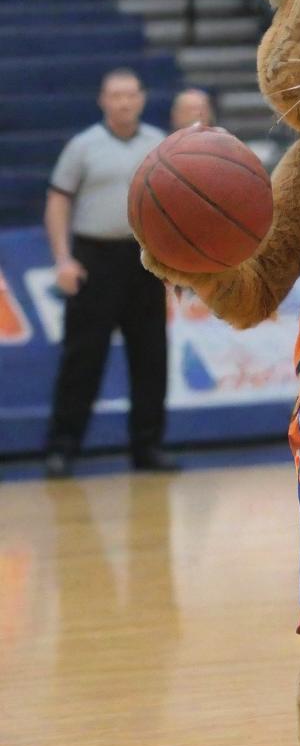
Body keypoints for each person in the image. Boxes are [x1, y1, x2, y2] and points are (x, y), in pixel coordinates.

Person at [43, 70, 177, 477]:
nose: (122, 102)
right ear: (102, 100)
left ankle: (147, 447)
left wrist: (175, 261)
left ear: (141, 98)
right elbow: (57, 201)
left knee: (151, 358)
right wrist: (63, 259)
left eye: (129, 95)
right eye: (115, 95)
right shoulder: (83, 146)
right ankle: (62, 448)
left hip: (143, 260)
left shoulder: (160, 144)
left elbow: (176, 204)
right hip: (94, 259)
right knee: (82, 359)